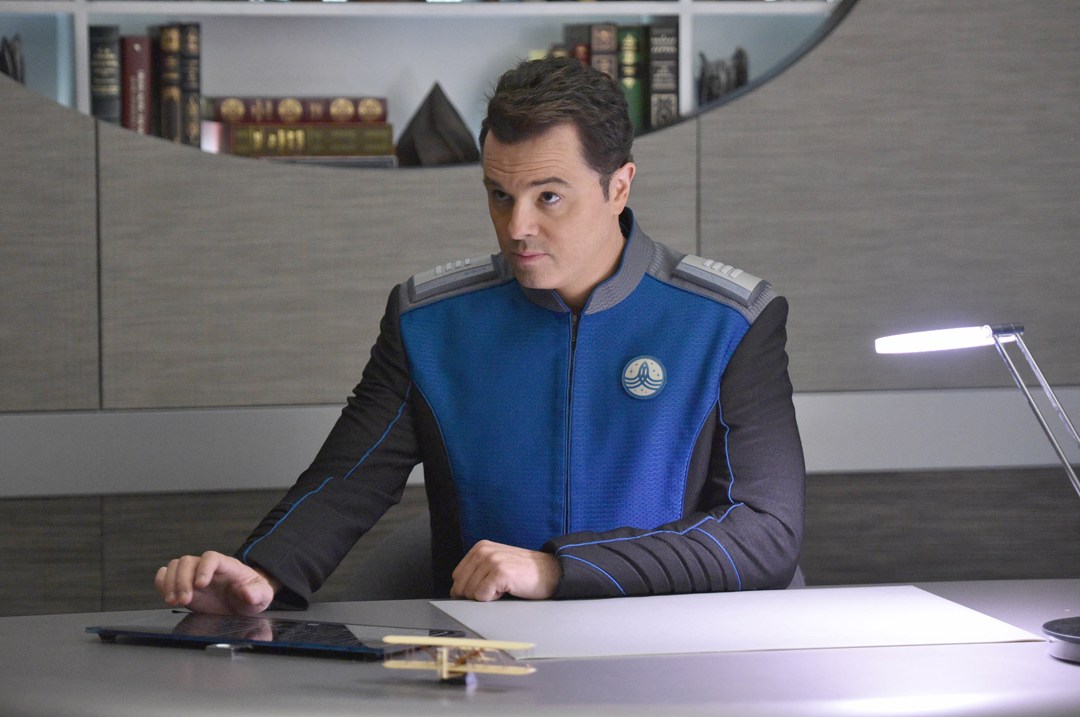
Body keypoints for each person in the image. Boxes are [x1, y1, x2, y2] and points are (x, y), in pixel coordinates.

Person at [155, 56, 805, 615]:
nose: (517, 226)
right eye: (499, 194)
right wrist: (260, 574)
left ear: (618, 187)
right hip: (487, 662)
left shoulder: (732, 321)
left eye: (548, 197)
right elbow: (348, 480)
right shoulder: (429, 323)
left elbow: (765, 531)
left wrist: (557, 571)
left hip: (677, 651)